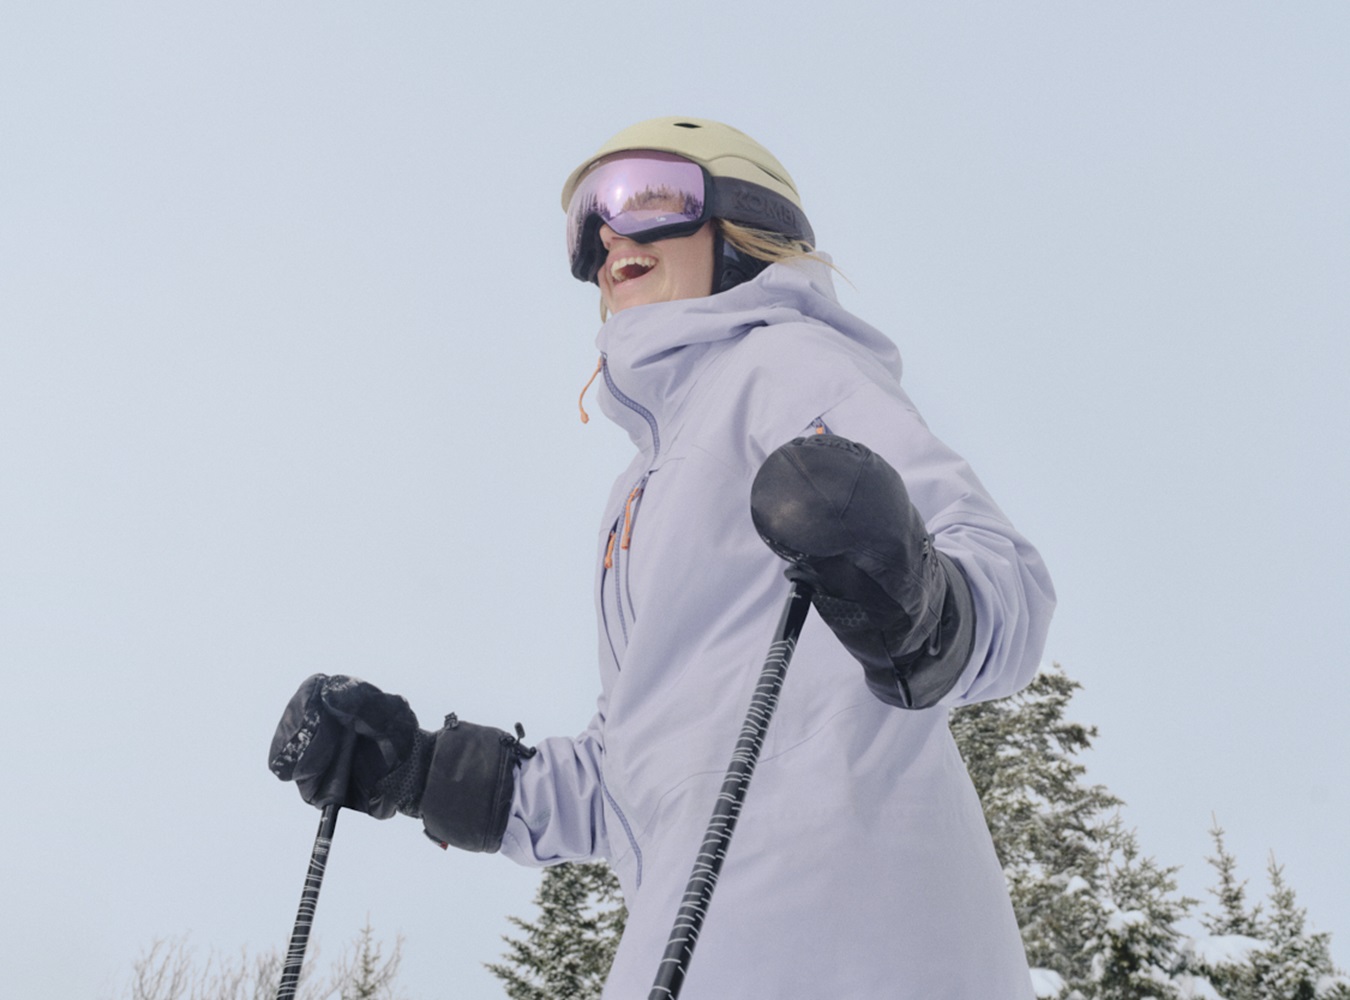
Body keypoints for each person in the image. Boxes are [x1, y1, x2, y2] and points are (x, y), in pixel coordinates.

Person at [270, 116, 1055, 998]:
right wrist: (419, 770)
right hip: (692, 944)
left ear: (743, 221)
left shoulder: (784, 361)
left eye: (646, 200)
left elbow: (1001, 577)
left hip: (851, 933)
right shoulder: (636, 493)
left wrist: (919, 611)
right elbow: (628, 783)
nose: (611, 239)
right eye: (589, 226)